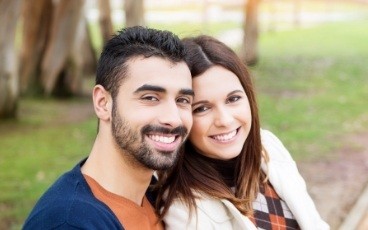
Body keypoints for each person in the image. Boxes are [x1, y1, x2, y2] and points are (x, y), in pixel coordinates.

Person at [23, 26, 194, 229]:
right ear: (103, 103)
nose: (173, 119)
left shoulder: (157, 198)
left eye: (182, 100)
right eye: (150, 98)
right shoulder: (69, 223)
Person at [156, 35, 329, 230]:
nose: (225, 120)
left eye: (233, 99)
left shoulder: (268, 145)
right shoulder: (185, 211)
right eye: (202, 108)